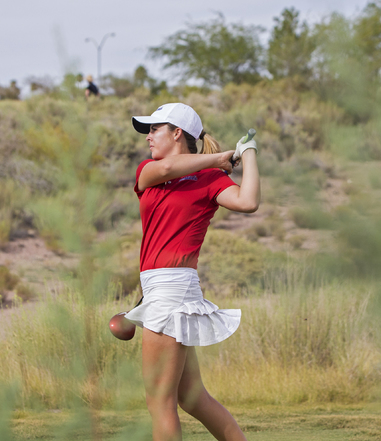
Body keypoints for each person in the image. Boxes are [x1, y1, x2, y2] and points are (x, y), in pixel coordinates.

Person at [124, 102, 259, 441]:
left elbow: (248, 202)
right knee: (191, 397)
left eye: (155, 129)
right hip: (163, 287)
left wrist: (249, 154)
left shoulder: (211, 179)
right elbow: (169, 166)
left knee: (159, 401)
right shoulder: (149, 171)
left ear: (177, 133)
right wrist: (217, 159)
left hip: (173, 287)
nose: (148, 137)